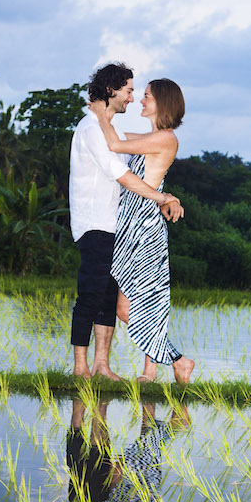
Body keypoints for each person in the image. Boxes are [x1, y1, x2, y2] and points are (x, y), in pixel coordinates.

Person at [69, 63, 184, 381]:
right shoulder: (105, 130)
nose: (136, 99)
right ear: (112, 90)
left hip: (132, 226)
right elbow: (120, 160)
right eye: (133, 92)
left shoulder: (156, 136)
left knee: (132, 298)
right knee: (107, 300)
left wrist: (161, 197)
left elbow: (121, 149)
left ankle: (131, 368)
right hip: (110, 225)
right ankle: (89, 367)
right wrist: (163, 196)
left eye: (143, 94)